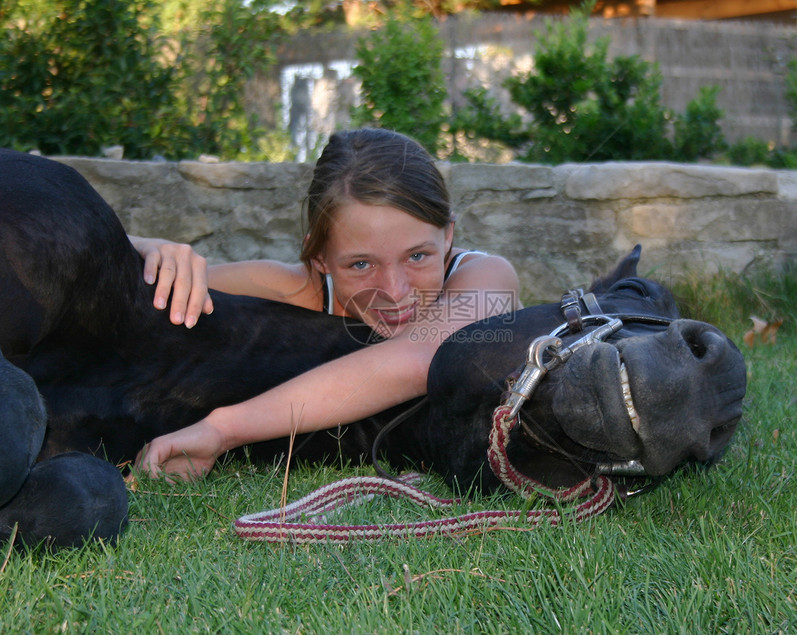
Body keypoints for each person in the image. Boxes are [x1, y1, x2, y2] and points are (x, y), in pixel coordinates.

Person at [131, 128, 520, 480]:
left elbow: (420, 359)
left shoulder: (485, 278)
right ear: (318, 258)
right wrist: (152, 249)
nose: (395, 290)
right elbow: (133, 275)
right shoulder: (299, 288)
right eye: (361, 264)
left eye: (417, 256)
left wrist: (221, 429)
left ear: (448, 235)